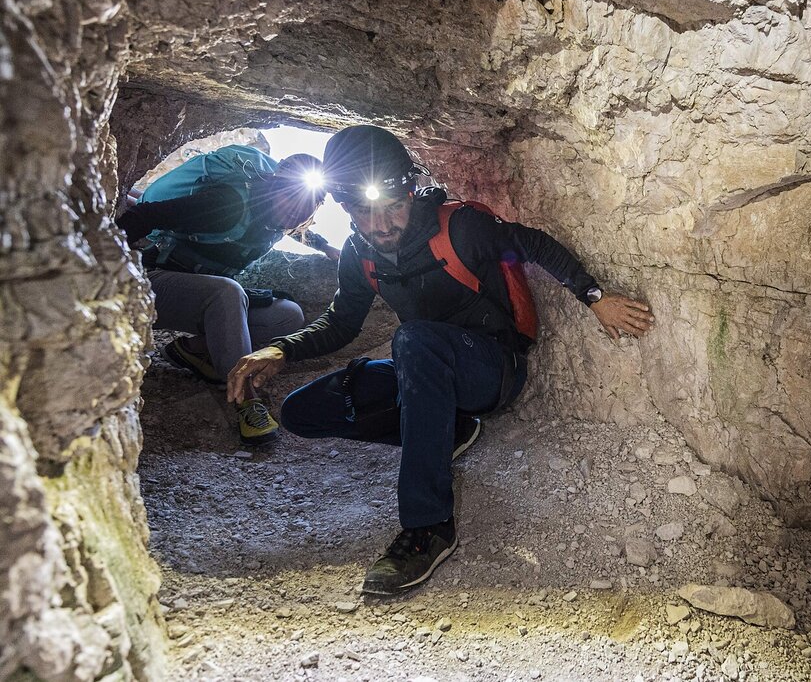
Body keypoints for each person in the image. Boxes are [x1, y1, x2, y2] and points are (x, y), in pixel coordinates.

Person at [226, 125, 655, 595]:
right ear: (346, 208)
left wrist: (594, 296)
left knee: (412, 340)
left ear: (411, 192)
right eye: (366, 212)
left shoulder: (460, 228)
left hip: (491, 369)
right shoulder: (359, 254)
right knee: (302, 411)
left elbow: (532, 243)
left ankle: (428, 528)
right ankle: (453, 431)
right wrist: (280, 348)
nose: (383, 223)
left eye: (394, 206)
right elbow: (342, 322)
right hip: (426, 366)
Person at [117, 144, 335, 445]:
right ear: (274, 185)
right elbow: (146, 214)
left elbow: (298, 227)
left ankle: (192, 351)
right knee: (228, 291)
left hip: (197, 295)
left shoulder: (276, 220)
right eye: (292, 195)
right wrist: (102, 271)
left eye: (311, 203)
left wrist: (327, 248)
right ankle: (247, 401)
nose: (300, 208)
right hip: (151, 283)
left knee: (287, 317)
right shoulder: (228, 205)